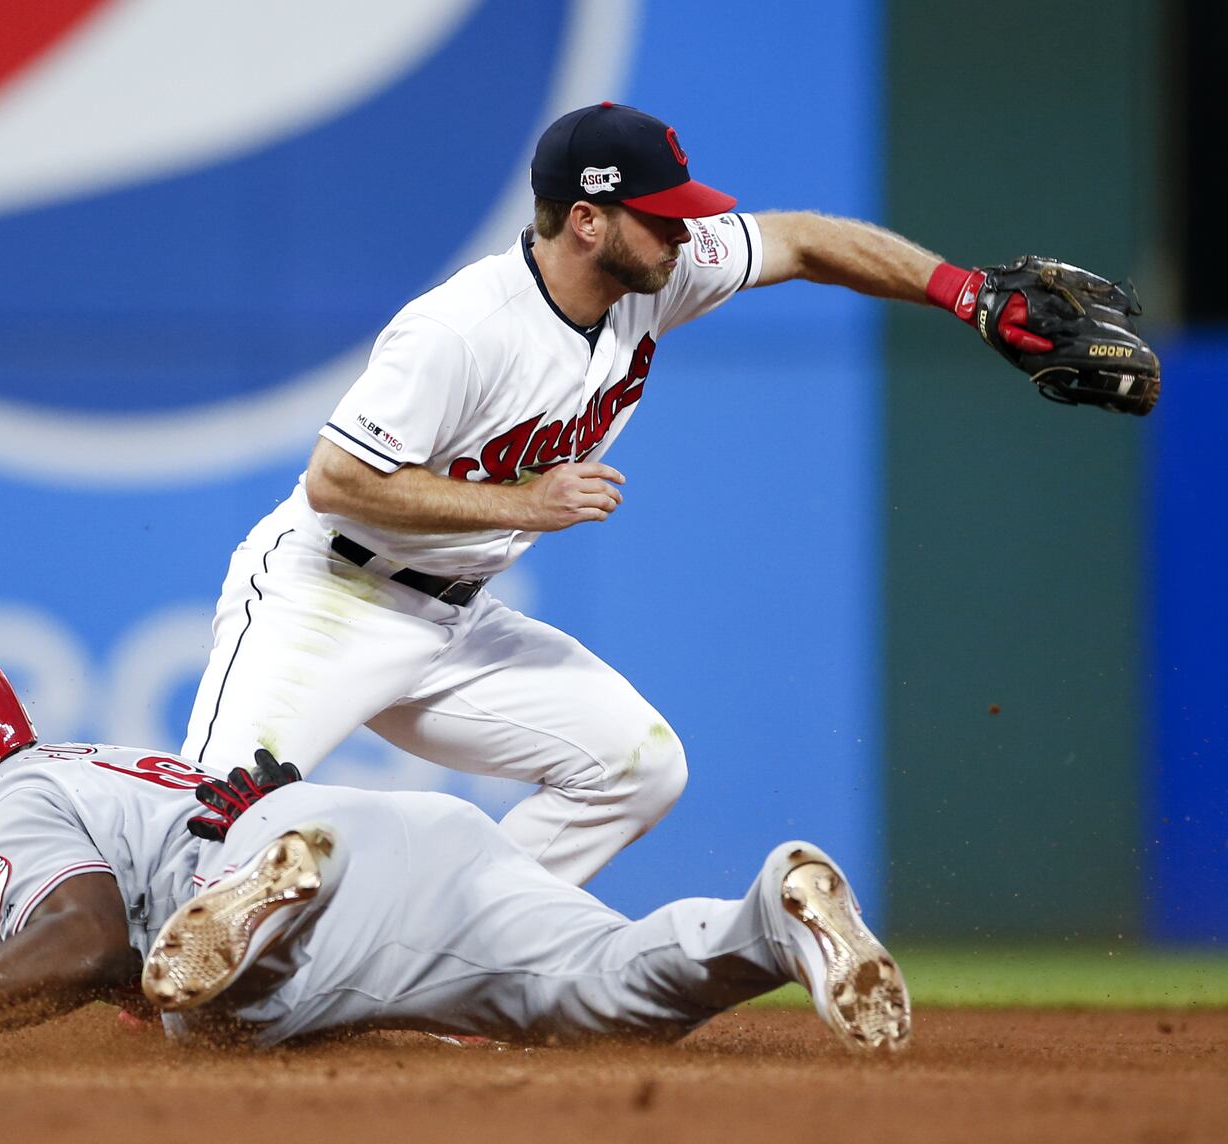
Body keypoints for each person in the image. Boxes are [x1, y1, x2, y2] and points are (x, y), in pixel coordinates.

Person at [177, 101, 1061, 885]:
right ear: (589, 222)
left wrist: (965, 294)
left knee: (635, 768)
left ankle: (450, 961)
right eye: (661, 218)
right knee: (203, 839)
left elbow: (800, 239)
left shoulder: (657, 273)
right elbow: (338, 480)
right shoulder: (462, 328)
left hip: (455, 622)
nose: (684, 235)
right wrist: (523, 506)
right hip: (326, 598)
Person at [0, 650, 911, 1060]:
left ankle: (258, 905)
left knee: (187, 1009)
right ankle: (766, 915)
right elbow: (15, 955)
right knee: (607, 997)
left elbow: (82, 943)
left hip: (282, 884)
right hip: (407, 838)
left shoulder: (7, 803)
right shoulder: (73, 782)